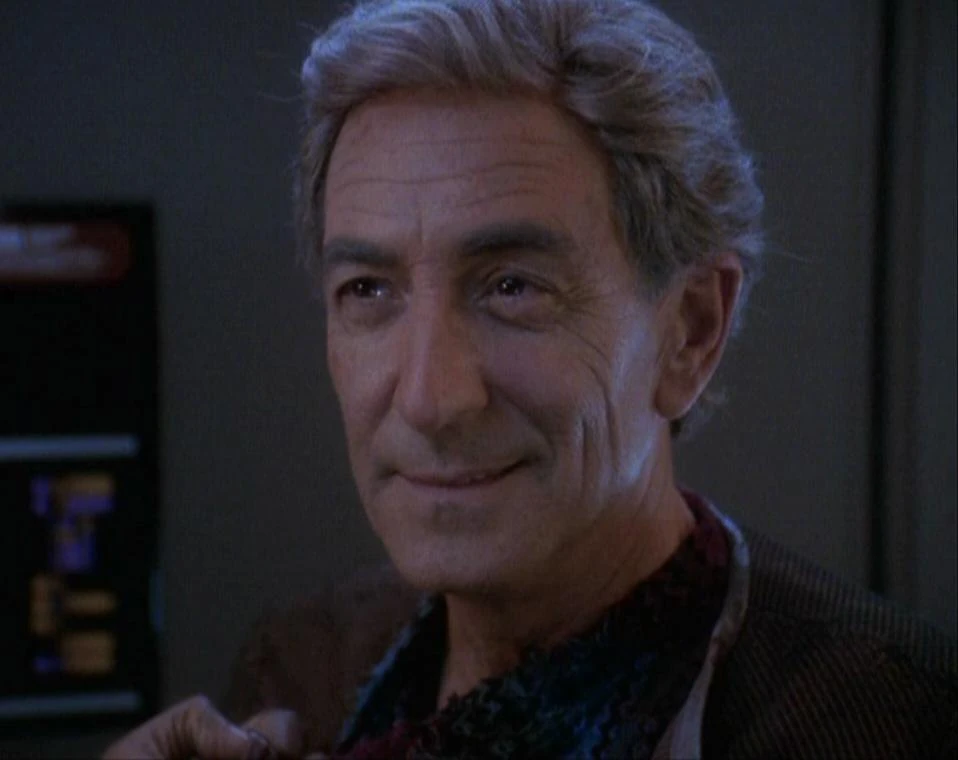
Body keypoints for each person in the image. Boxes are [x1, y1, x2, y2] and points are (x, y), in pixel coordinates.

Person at [106, 0, 957, 757]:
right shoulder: (303, 672)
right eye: (368, 290)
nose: (429, 400)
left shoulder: (890, 720)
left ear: (690, 332)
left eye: (513, 287)